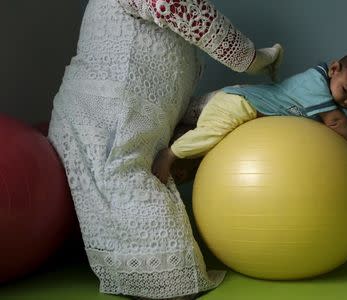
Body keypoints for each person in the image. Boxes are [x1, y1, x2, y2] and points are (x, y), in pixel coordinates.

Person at [47, 0, 283, 299]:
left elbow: (169, 84)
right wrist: (254, 58)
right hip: (103, 118)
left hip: (129, 119)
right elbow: (175, 7)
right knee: (167, 263)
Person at [152, 52, 347, 184]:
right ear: (334, 69)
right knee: (209, 136)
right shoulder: (316, 84)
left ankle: (182, 156)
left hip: (245, 104)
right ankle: (169, 154)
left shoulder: (323, 97)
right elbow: (336, 122)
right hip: (239, 104)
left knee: (209, 154)